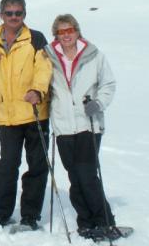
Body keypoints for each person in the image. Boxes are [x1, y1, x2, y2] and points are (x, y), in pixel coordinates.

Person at [0, 0, 52, 230]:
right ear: (1, 15)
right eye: (9, 13)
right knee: (7, 166)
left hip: (34, 111)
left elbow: (45, 68)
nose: (14, 17)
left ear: (24, 14)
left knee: (37, 166)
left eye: (18, 13)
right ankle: (0, 214)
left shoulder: (35, 38)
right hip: (7, 114)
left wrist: (38, 91)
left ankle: (30, 216)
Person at [44, 14, 119, 240]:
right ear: (56, 35)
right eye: (61, 32)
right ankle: (85, 222)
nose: (66, 35)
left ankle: (104, 221)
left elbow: (108, 83)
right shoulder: (48, 56)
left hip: (88, 124)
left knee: (87, 175)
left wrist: (98, 103)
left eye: (70, 30)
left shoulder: (94, 55)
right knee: (75, 177)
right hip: (63, 126)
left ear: (77, 31)